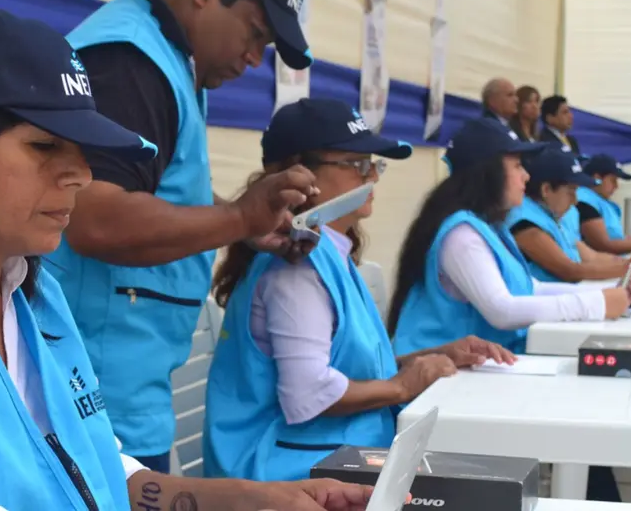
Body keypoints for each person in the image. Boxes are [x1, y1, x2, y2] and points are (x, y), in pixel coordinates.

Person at [0, 8, 376, 511]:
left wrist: (258, 501)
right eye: (44, 145)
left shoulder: (31, 295)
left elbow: (97, 465)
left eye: (83, 150)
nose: (79, 174)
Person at [44, 0, 316, 472]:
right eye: (255, 33)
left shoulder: (169, 61)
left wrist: (241, 222)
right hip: (93, 393)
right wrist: (237, 216)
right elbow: (93, 217)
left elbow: (159, 187)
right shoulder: (131, 62)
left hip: (123, 386)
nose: (255, 58)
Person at [201, 99, 514, 482]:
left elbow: (343, 368)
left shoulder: (323, 250)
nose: (373, 178)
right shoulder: (297, 267)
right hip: (286, 477)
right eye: (356, 165)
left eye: (374, 165)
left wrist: (432, 356)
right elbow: (309, 394)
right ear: (297, 176)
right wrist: (402, 386)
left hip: (325, 459)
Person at [388, 119, 631, 357]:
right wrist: (596, 303)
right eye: (517, 166)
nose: (526, 175)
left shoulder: (490, 226)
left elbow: (531, 287)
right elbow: (502, 310)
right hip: (439, 380)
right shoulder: (462, 235)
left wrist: (612, 291)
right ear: (488, 173)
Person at [507, 149, 631, 282]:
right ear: (546, 190)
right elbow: (568, 270)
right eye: (571, 191)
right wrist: (629, 268)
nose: (574, 201)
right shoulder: (525, 223)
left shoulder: (548, 216)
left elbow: (592, 257)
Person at [576, 153, 631, 255]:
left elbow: (618, 239)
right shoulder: (584, 202)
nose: (616, 186)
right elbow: (604, 245)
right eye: (613, 180)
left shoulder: (598, 202)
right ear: (597, 178)